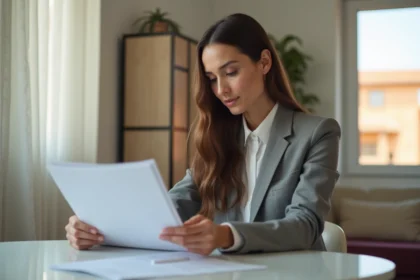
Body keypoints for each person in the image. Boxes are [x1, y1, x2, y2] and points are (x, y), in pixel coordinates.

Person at [65, 13, 341, 255]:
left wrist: (226, 235)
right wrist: (98, 226)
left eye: (230, 72)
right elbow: (170, 207)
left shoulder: (317, 133)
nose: (220, 89)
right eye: (211, 78)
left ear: (264, 62)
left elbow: (305, 225)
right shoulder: (217, 136)